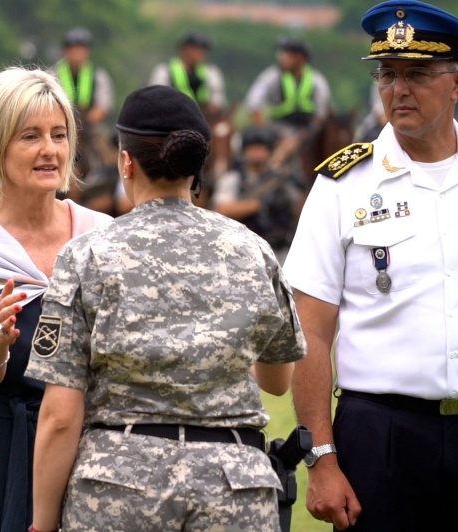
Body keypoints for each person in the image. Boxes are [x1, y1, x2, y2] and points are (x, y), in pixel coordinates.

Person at [27, 85, 306, 532]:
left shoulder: (87, 256)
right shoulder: (253, 250)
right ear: (197, 167)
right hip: (235, 488)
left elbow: (60, 416)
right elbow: (277, 380)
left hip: (118, 488)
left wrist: (41, 522)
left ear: (126, 161)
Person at [284, 2, 458, 530]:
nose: (399, 90)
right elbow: (312, 332)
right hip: (380, 437)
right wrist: (321, 460)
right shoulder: (342, 187)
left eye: (417, 74)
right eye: (387, 75)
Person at [0, 67, 111, 531]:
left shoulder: (104, 237)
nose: (50, 150)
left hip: (91, 453)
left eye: (59, 134)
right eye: (30, 136)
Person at [212, 125, 305, 262]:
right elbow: (221, 209)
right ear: (244, 151)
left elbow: (300, 209)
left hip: (278, 249)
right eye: (252, 148)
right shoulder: (234, 178)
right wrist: (259, 203)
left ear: (269, 150)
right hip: (241, 250)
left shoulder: (280, 179)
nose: (257, 152)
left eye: (261, 148)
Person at [148, 32, 226, 114]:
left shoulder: (211, 72)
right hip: (172, 116)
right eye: (195, 48)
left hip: (203, 118)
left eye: (202, 49)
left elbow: (218, 98)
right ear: (183, 48)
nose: (199, 53)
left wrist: (212, 106)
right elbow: (156, 99)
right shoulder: (164, 70)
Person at [54, 28, 114, 126]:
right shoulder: (53, 74)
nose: (77, 52)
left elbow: (103, 104)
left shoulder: (99, 75)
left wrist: (87, 119)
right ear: (65, 50)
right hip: (60, 121)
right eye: (73, 48)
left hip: (88, 125)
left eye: (81, 48)